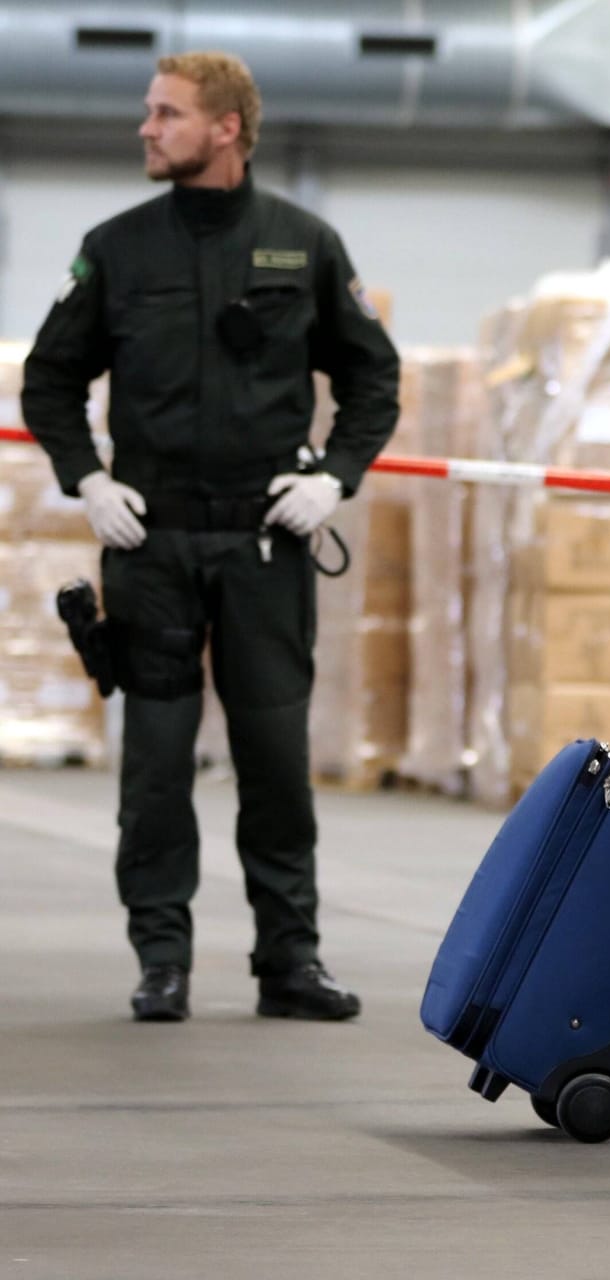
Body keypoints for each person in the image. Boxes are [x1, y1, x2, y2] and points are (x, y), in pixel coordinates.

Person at [22, 52, 400, 1023]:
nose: (146, 128)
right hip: (150, 548)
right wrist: (89, 479)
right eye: (150, 113)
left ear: (225, 127)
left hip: (264, 547)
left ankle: (290, 960)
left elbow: (373, 380)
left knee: (275, 760)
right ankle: (162, 958)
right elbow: (48, 381)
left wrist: (333, 478)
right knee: (155, 764)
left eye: (166, 114)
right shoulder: (115, 249)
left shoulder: (303, 244)